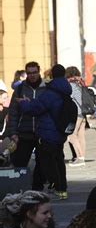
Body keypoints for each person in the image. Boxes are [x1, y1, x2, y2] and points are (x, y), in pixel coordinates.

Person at [17, 64, 71, 200]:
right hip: (59, 131)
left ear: (51, 74)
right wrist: (33, 102)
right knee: (59, 161)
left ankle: (56, 187)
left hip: (48, 132)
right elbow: (45, 105)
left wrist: (24, 103)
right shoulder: (64, 89)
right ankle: (62, 190)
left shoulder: (51, 91)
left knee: (48, 163)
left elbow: (36, 109)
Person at [5, 61, 47, 191]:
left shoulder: (46, 88)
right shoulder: (20, 89)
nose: (32, 75)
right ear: (26, 73)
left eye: (34, 72)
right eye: (29, 73)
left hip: (42, 131)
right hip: (24, 132)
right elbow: (13, 112)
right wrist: (13, 133)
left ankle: (37, 189)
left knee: (42, 163)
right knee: (20, 162)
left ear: (39, 71)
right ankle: (19, 188)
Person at [65, 66, 87, 167]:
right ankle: (82, 157)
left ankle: (79, 158)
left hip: (76, 113)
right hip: (83, 113)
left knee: (71, 135)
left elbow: (74, 99)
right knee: (81, 136)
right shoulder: (80, 84)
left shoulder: (71, 86)